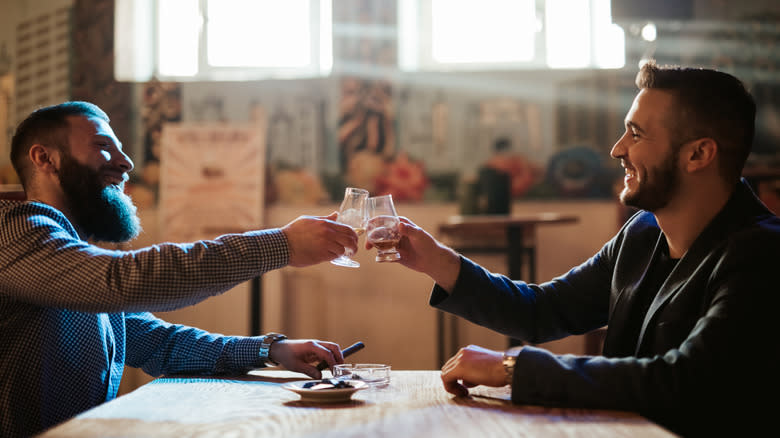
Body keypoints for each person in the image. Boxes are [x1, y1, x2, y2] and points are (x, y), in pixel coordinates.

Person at [384, 61, 780, 436]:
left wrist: (513, 368)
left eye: (636, 134)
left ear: (698, 154)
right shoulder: (641, 233)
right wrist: (436, 260)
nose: (617, 149)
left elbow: (683, 381)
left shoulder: (762, 253)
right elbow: (542, 310)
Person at [0, 101, 360, 437]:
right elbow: (124, 282)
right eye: (103, 146)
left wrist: (272, 351)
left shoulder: (71, 260)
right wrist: (283, 245)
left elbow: (160, 343)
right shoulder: (12, 231)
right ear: (44, 158)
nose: (126, 163)